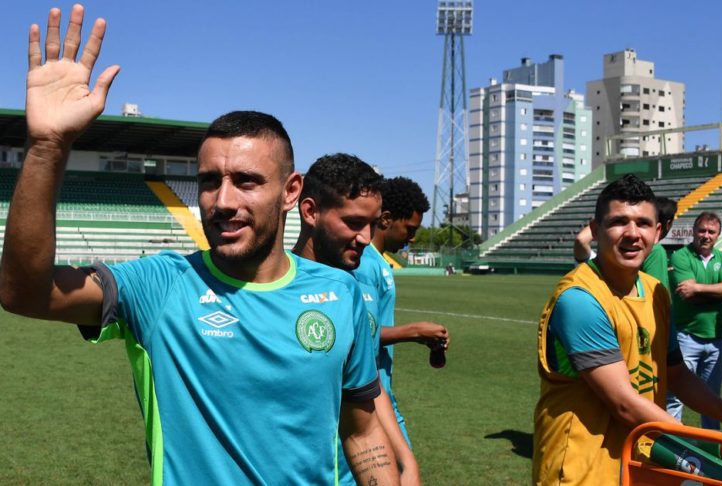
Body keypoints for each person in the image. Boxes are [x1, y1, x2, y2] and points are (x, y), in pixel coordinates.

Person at [0, 6, 400, 485]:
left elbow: (361, 432)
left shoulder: (340, 293)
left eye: (247, 181)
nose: (223, 201)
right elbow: (24, 293)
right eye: (210, 181)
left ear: (291, 191)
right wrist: (47, 147)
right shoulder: (160, 286)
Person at [533, 174, 722, 485]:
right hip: (582, 470)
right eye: (619, 222)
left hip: (637, 464)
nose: (632, 233)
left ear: (657, 232)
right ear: (595, 230)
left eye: (643, 223)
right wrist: (710, 449)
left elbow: (677, 375)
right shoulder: (579, 299)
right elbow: (624, 404)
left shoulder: (656, 292)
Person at [292, 154, 420, 485]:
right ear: (310, 212)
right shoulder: (272, 290)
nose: (365, 237)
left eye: (372, 224)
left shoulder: (352, 290)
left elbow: (368, 385)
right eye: (353, 223)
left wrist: (406, 461)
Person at [354, 176, 449, 446]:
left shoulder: (378, 261)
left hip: (382, 390)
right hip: (368, 394)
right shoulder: (364, 263)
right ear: (386, 219)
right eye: (409, 228)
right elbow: (360, 333)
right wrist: (415, 332)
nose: (413, 237)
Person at [666, 211, 722, 429]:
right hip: (685, 336)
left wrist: (697, 288)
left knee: (712, 399)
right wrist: (716, 293)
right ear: (694, 231)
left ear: (718, 235)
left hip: (716, 339)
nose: (706, 235)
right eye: (702, 230)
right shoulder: (680, 256)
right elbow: (687, 296)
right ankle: (672, 442)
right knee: (675, 396)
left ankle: (710, 446)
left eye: (711, 232)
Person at [573, 196, 677, 290]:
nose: (632, 234)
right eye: (618, 222)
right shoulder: (656, 251)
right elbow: (655, 297)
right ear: (668, 224)